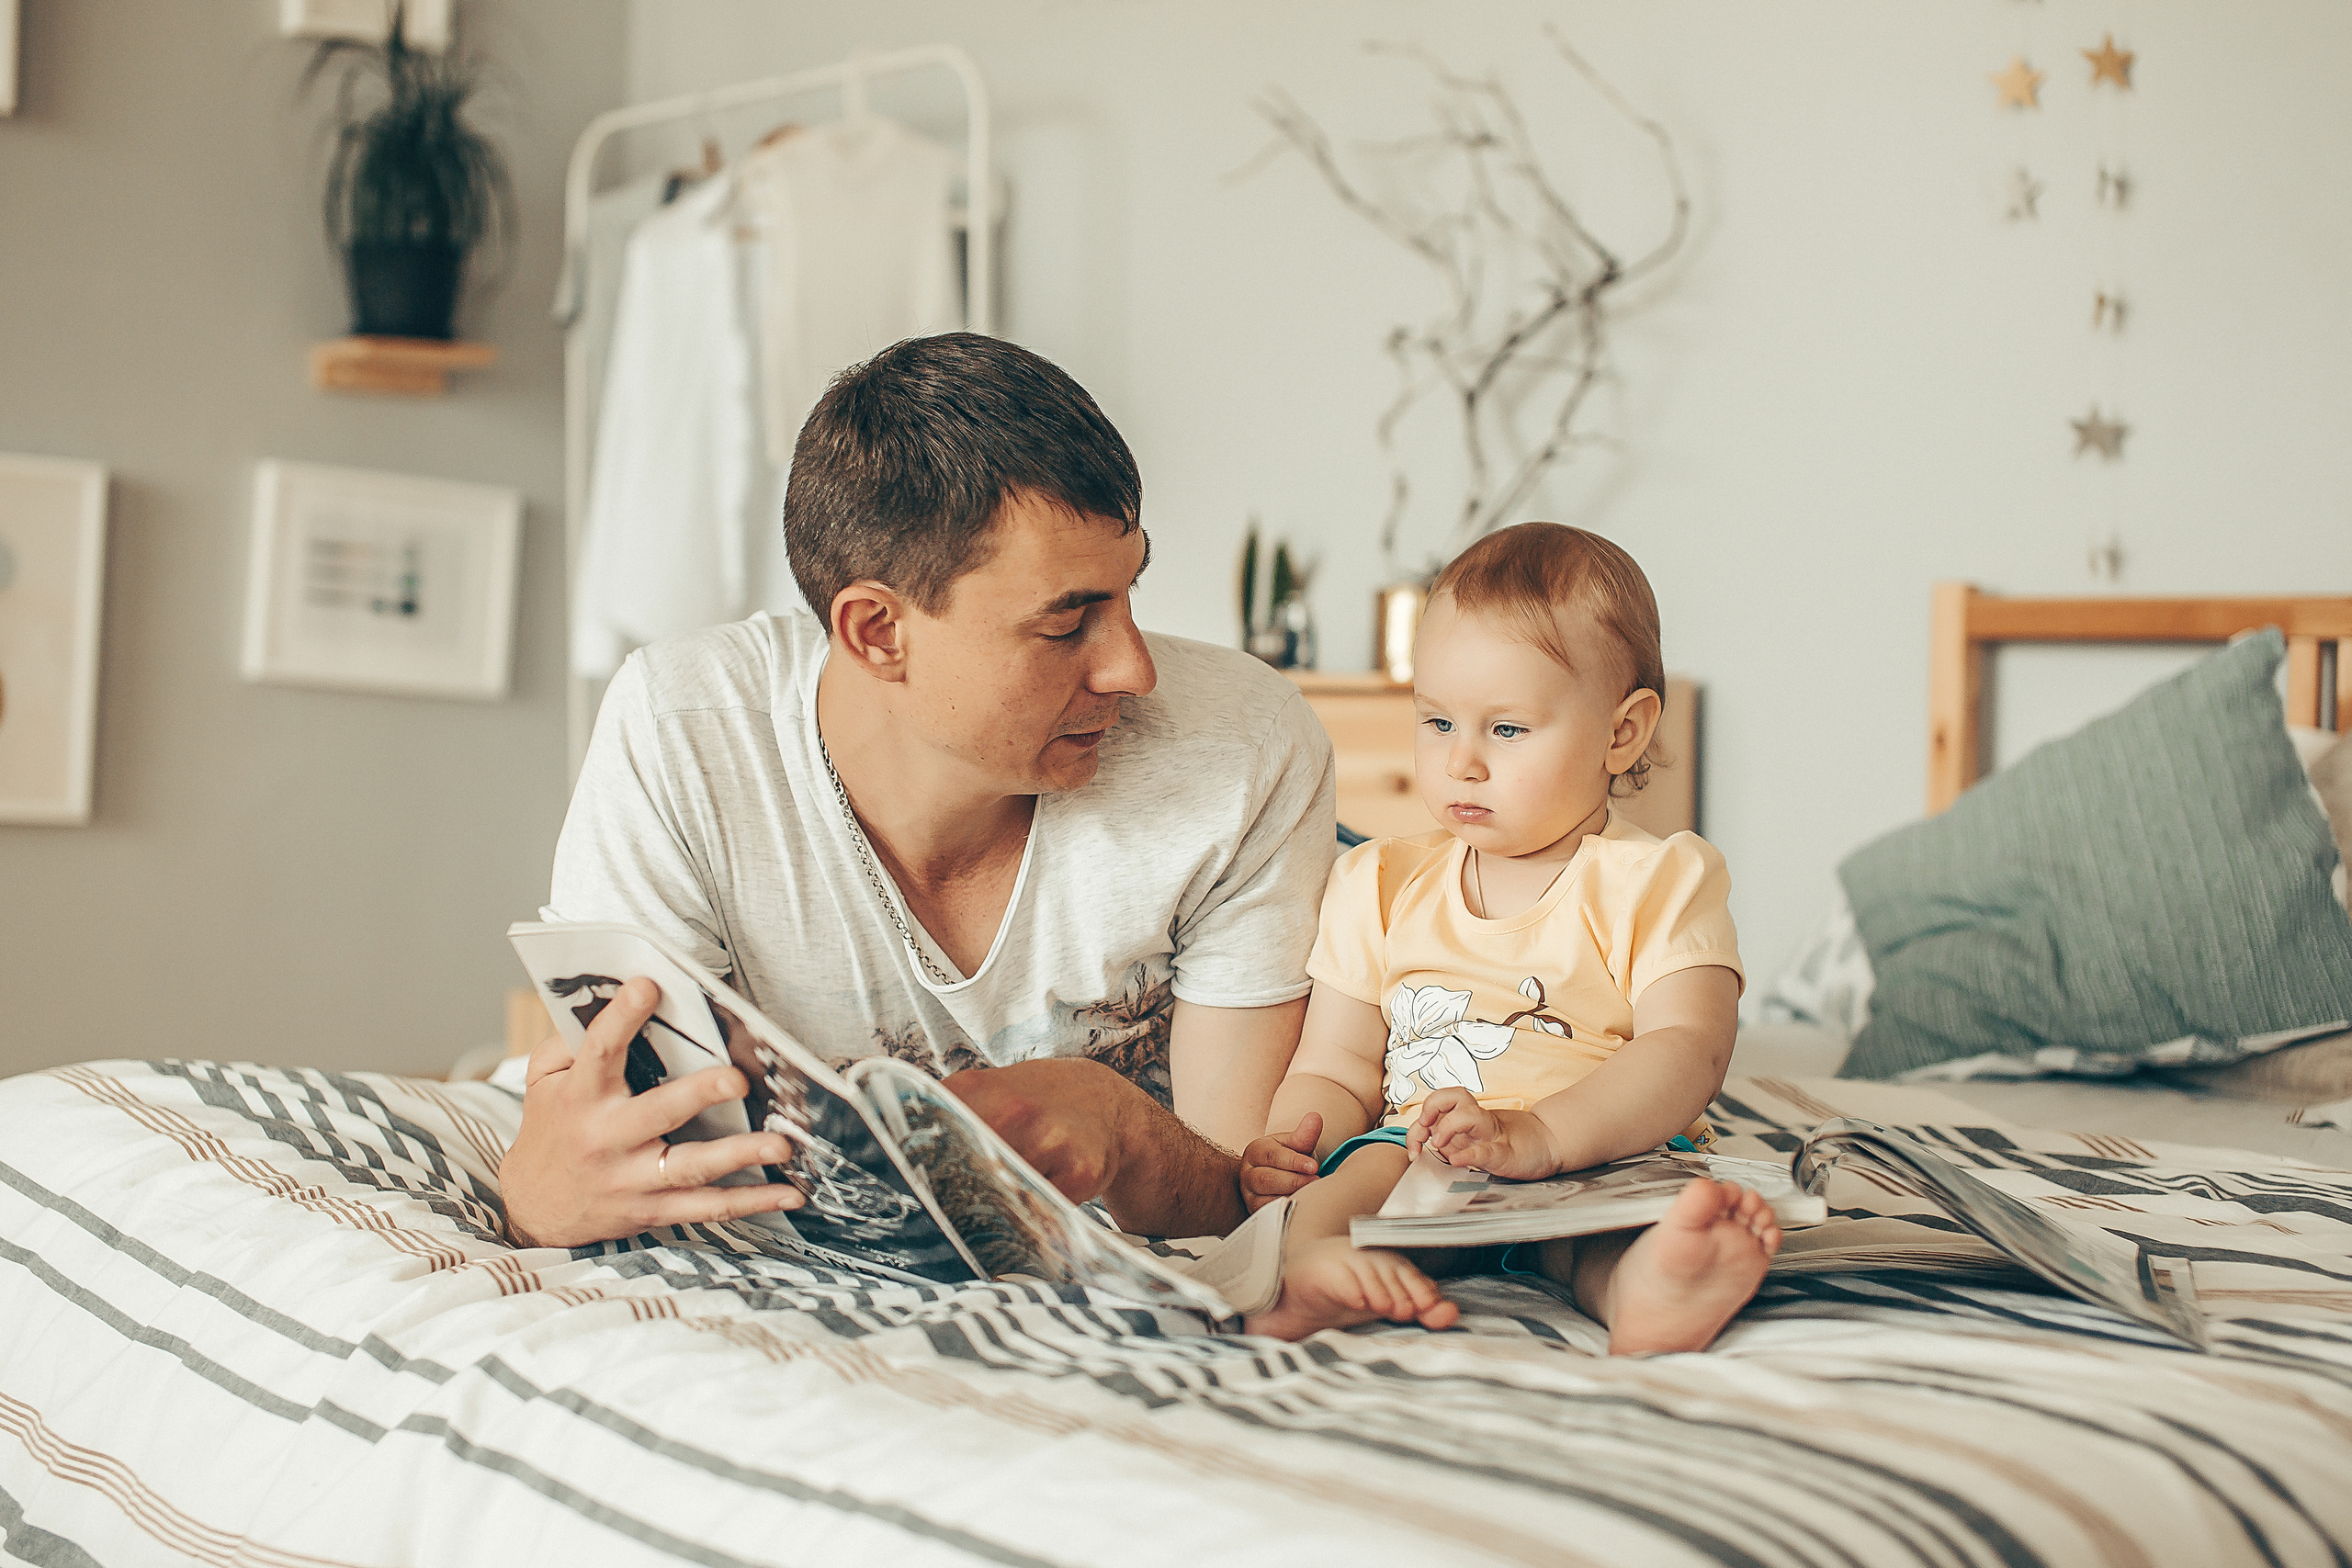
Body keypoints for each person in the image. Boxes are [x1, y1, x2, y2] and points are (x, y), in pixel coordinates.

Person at [501, 333, 1336, 1251]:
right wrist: (542, 1198)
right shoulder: (685, 728)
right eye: (1068, 623)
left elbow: (1254, 1205)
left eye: (1129, 591)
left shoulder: (1242, 748)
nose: (1132, 668)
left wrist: (1125, 1129)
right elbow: (609, 1143)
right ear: (876, 631)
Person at [1238, 523, 1780, 1350]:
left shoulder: (1656, 878)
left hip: (1599, 1149)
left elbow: (1689, 1046)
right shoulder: (1378, 882)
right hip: (1422, 1148)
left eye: (1508, 730)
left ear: (1622, 733)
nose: (1462, 762)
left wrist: (1543, 1137)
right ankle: (1312, 1272)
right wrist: (1293, 1137)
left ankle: (1649, 1291)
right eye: (1438, 722)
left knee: (1613, 1227)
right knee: (1349, 1189)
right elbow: (1337, 1064)